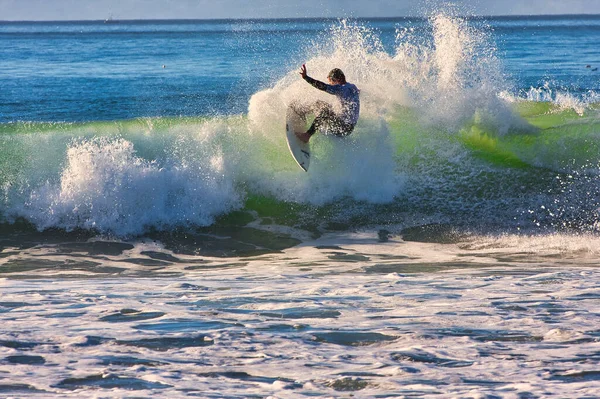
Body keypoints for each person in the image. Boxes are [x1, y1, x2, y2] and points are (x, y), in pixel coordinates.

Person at [296, 64, 360, 143]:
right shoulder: (352, 86)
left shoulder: (340, 88)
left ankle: (307, 136)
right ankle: (303, 112)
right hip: (349, 129)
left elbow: (322, 86)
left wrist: (306, 77)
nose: (330, 85)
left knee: (325, 111)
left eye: (331, 82)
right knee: (320, 103)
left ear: (335, 79)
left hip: (342, 128)